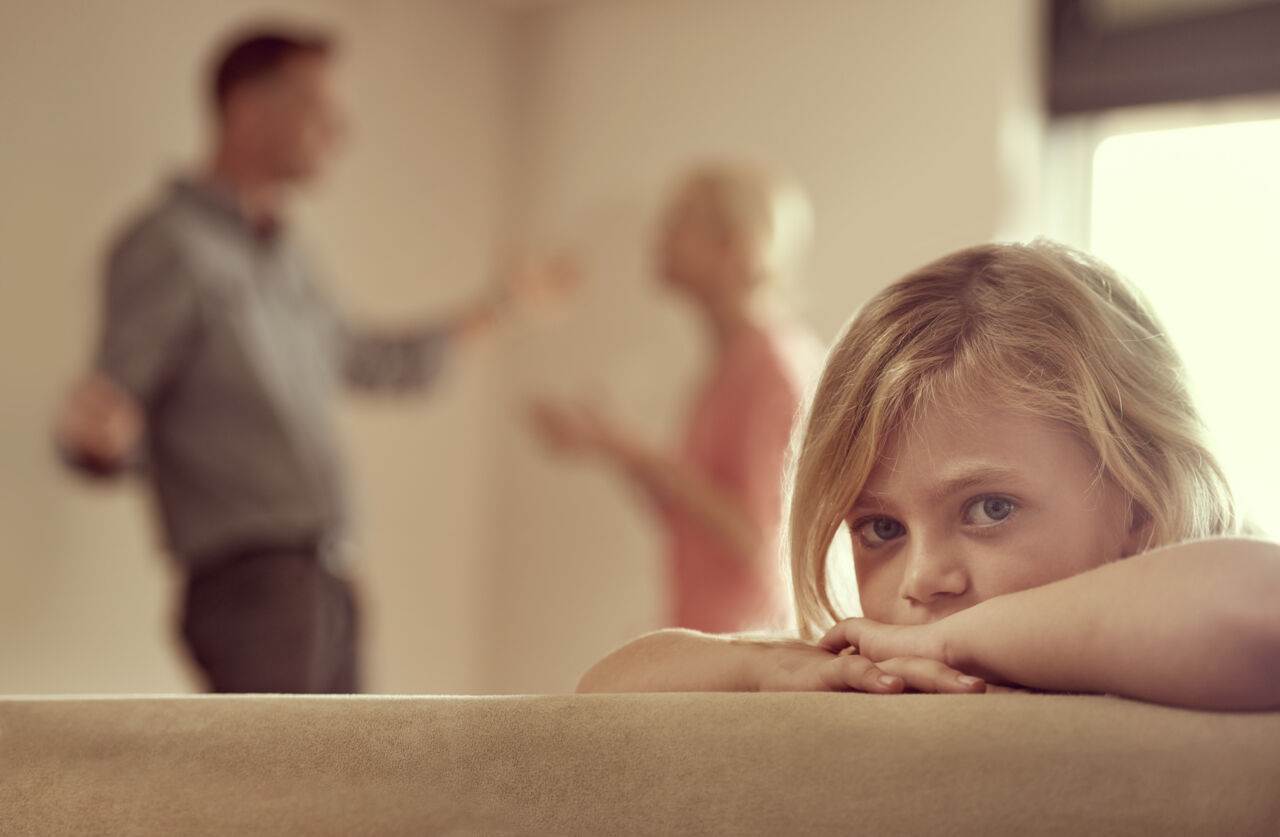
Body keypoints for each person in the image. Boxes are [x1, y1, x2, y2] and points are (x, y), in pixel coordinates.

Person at [54, 27, 571, 694]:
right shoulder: (168, 244)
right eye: (319, 110)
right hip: (251, 586)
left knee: (351, 767)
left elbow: (371, 360)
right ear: (246, 109)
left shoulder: (289, 261)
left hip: (326, 578)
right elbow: (110, 411)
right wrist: (99, 445)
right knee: (276, 768)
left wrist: (502, 309)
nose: (340, 133)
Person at [577, 240, 1280, 711]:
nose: (921, 579)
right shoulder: (881, 673)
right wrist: (769, 667)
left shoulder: (1183, 646)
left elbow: (1259, 603)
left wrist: (946, 640)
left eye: (989, 509)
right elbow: (604, 691)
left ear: (1140, 511)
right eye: (881, 528)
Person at [530, 162, 820, 634]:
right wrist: (613, 447)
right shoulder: (729, 364)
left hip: (745, 644)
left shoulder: (773, 368)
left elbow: (759, 538)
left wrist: (632, 450)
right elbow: (693, 517)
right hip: (709, 633)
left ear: (734, 245)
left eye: (681, 220)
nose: (658, 236)